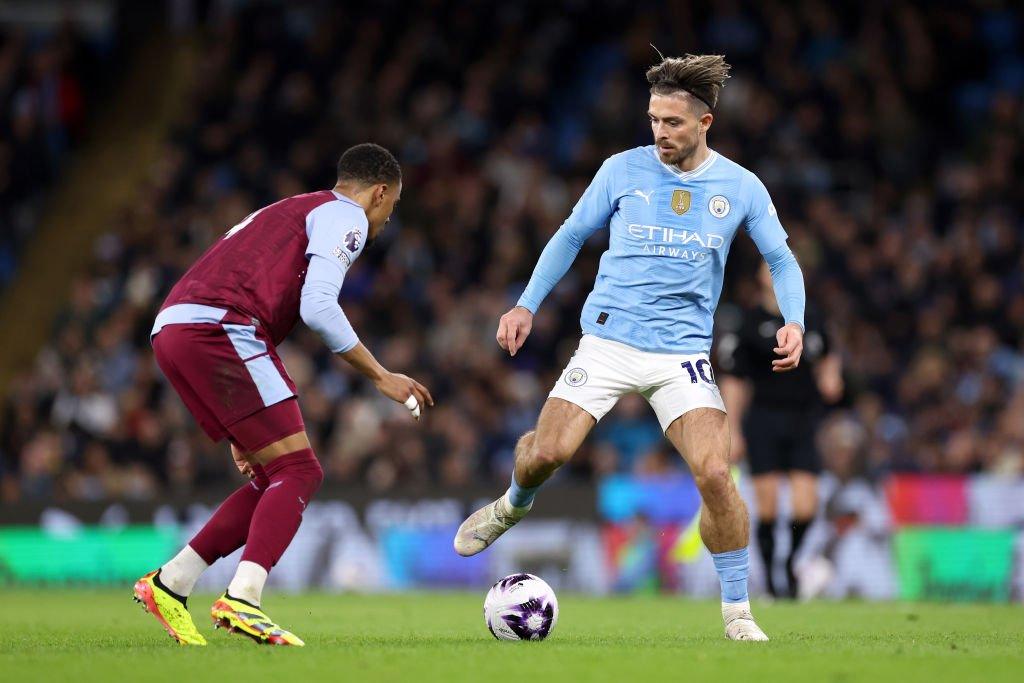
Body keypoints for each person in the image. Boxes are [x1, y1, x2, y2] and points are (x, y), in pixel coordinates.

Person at [454, 54, 805, 641]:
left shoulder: (741, 186)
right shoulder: (621, 170)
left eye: (673, 123)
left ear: (705, 123)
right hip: (609, 341)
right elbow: (571, 235)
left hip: (682, 355)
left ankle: (738, 613)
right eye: (653, 120)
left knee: (717, 473)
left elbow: (782, 258)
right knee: (549, 453)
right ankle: (511, 505)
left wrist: (792, 319)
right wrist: (525, 304)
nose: (660, 133)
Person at [133, 143, 433, 646]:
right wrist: (380, 374)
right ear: (380, 192)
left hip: (177, 328)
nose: (386, 222)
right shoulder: (347, 217)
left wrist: (239, 424)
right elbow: (318, 306)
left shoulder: (292, 208)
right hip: (221, 327)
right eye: (393, 207)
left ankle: (171, 583)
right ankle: (243, 599)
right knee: (301, 471)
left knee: (276, 473)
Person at [718, 263, 843, 599]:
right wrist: (734, 429)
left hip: (803, 420)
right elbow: (734, 379)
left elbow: (828, 353)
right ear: (760, 278)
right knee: (769, 506)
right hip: (763, 419)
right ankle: (776, 584)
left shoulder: (810, 318)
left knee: (806, 506)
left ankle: (789, 562)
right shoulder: (749, 322)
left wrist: (831, 376)